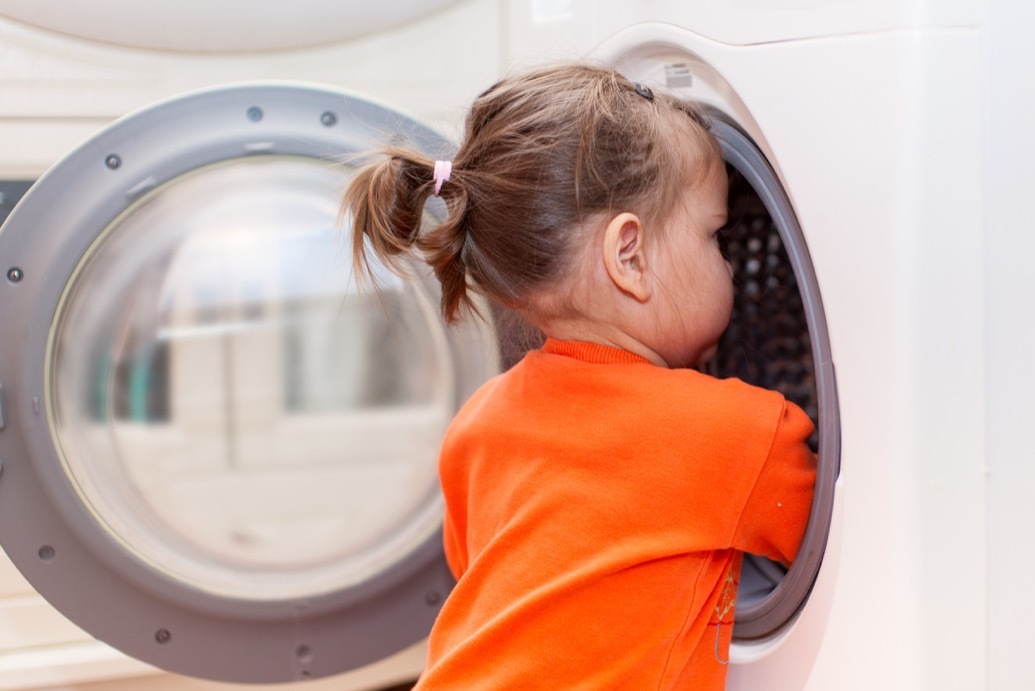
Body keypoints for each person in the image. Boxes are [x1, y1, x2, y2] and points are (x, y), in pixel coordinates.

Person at [341, 62, 817, 690]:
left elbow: (486, 570)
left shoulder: (477, 426)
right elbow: (859, 534)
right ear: (629, 256)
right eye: (715, 237)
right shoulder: (736, 435)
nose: (729, 266)